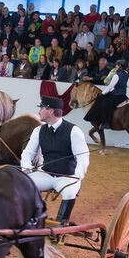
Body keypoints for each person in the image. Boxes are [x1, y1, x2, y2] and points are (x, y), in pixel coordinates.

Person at [21, 95, 90, 225]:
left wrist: (78, 175)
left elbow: (83, 156)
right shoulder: (38, 130)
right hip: (45, 173)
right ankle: (31, 217)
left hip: (67, 176)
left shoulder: (74, 131)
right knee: (23, 184)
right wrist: (26, 167)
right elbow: (28, 152)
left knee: (69, 192)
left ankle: (61, 225)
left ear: (50, 111)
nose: (39, 111)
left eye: (41, 108)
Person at [84, 60, 129, 129]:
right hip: (123, 95)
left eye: (117, 65)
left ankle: (107, 122)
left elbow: (110, 86)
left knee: (106, 103)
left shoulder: (116, 75)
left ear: (120, 66)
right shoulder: (126, 73)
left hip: (117, 95)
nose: (115, 66)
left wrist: (102, 93)